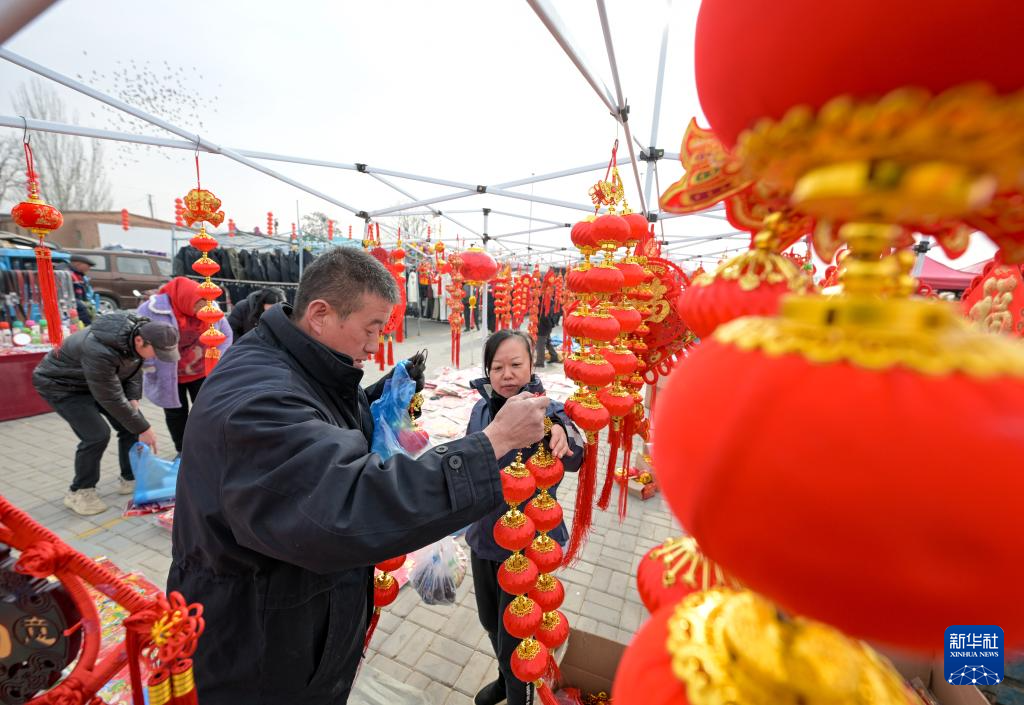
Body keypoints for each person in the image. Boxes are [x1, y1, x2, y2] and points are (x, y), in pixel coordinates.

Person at [167, 247, 550, 705]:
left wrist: (376, 396)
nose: (375, 344)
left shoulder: (293, 366)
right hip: (257, 652)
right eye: (371, 328)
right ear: (321, 314)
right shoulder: (257, 402)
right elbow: (349, 502)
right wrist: (491, 445)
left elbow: (320, 426)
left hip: (286, 621)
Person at [464, 330, 585, 705]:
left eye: (516, 364)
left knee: (519, 637)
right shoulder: (480, 409)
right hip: (484, 536)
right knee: (491, 622)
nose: (507, 374)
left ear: (532, 366)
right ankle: (504, 680)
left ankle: (519, 696)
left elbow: (576, 457)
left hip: (528, 549)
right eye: (497, 367)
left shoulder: (546, 414)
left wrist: (565, 430)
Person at [32, 312, 178, 516]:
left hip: (97, 382)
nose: (156, 357)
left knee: (130, 423)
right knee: (96, 435)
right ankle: (79, 492)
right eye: (156, 352)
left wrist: (133, 397)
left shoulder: (139, 336)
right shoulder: (99, 349)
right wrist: (144, 427)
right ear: (139, 340)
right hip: (62, 385)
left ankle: (129, 477)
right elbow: (110, 397)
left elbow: (134, 368)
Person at [136, 277, 232, 454]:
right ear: (188, 299)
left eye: (205, 305)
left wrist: (217, 359)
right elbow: (141, 340)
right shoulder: (151, 309)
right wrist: (148, 366)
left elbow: (225, 334)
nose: (202, 311)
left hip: (202, 371)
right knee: (175, 414)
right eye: (199, 306)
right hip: (168, 373)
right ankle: (182, 451)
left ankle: (206, 447)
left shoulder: (210, 307)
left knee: (206, 411)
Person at [68, 253, 98, 325]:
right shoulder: (67, 273)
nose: (89, 268)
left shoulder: (79, 275)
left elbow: (83, 294)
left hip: (79, 306)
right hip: (74, 309)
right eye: (88, 266)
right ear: (78, 264)